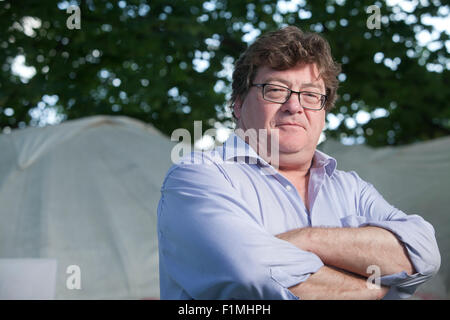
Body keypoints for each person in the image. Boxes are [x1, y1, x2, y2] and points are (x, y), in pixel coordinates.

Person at [157, 26, 440, 299]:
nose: (295, 106)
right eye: (276, 90)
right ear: (238, 104)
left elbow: (424, 254)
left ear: (324, 109)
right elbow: (253, 274)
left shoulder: (351, 188)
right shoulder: (199, 176)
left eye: (311, 95)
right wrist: (379, 292)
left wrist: (307, 239)